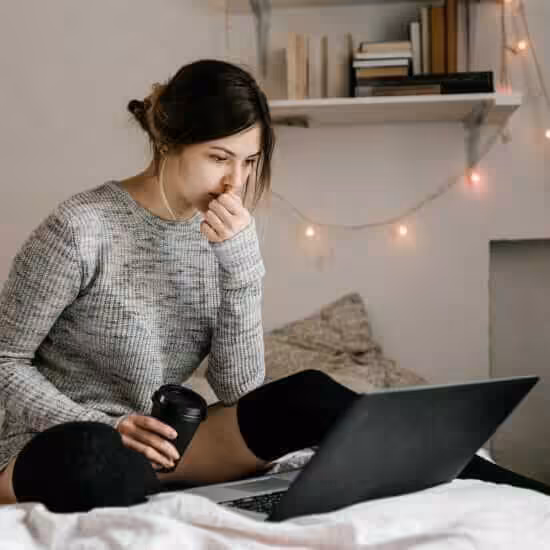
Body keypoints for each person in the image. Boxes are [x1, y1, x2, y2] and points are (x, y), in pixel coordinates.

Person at [0, 59, 547, 513]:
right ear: (167, 140)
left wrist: (242, 269)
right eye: (218, 158)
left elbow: (240, 390)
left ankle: (530, 494)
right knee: (100, 463)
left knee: (308, 393)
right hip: (63, 440)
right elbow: (5, 361)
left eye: (248, 161)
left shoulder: (222, 234)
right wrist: (107, 424)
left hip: (167, 445)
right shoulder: (80, 228)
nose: (234, 182)